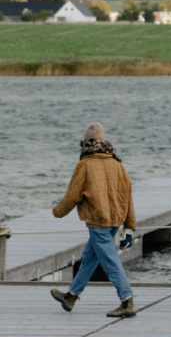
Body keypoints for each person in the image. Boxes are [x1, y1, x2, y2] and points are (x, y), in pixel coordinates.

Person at [50, 123, 138, 318]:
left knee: (110, 261)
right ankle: (70, 296)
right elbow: (128, 197)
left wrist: (57, 212)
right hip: (115, 221)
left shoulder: (85, 164)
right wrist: (129, 227)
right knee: (89, 259)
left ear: (85, 143)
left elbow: (72, 196)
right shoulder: (117, 164)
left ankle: (127, 300)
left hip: (98, 222)